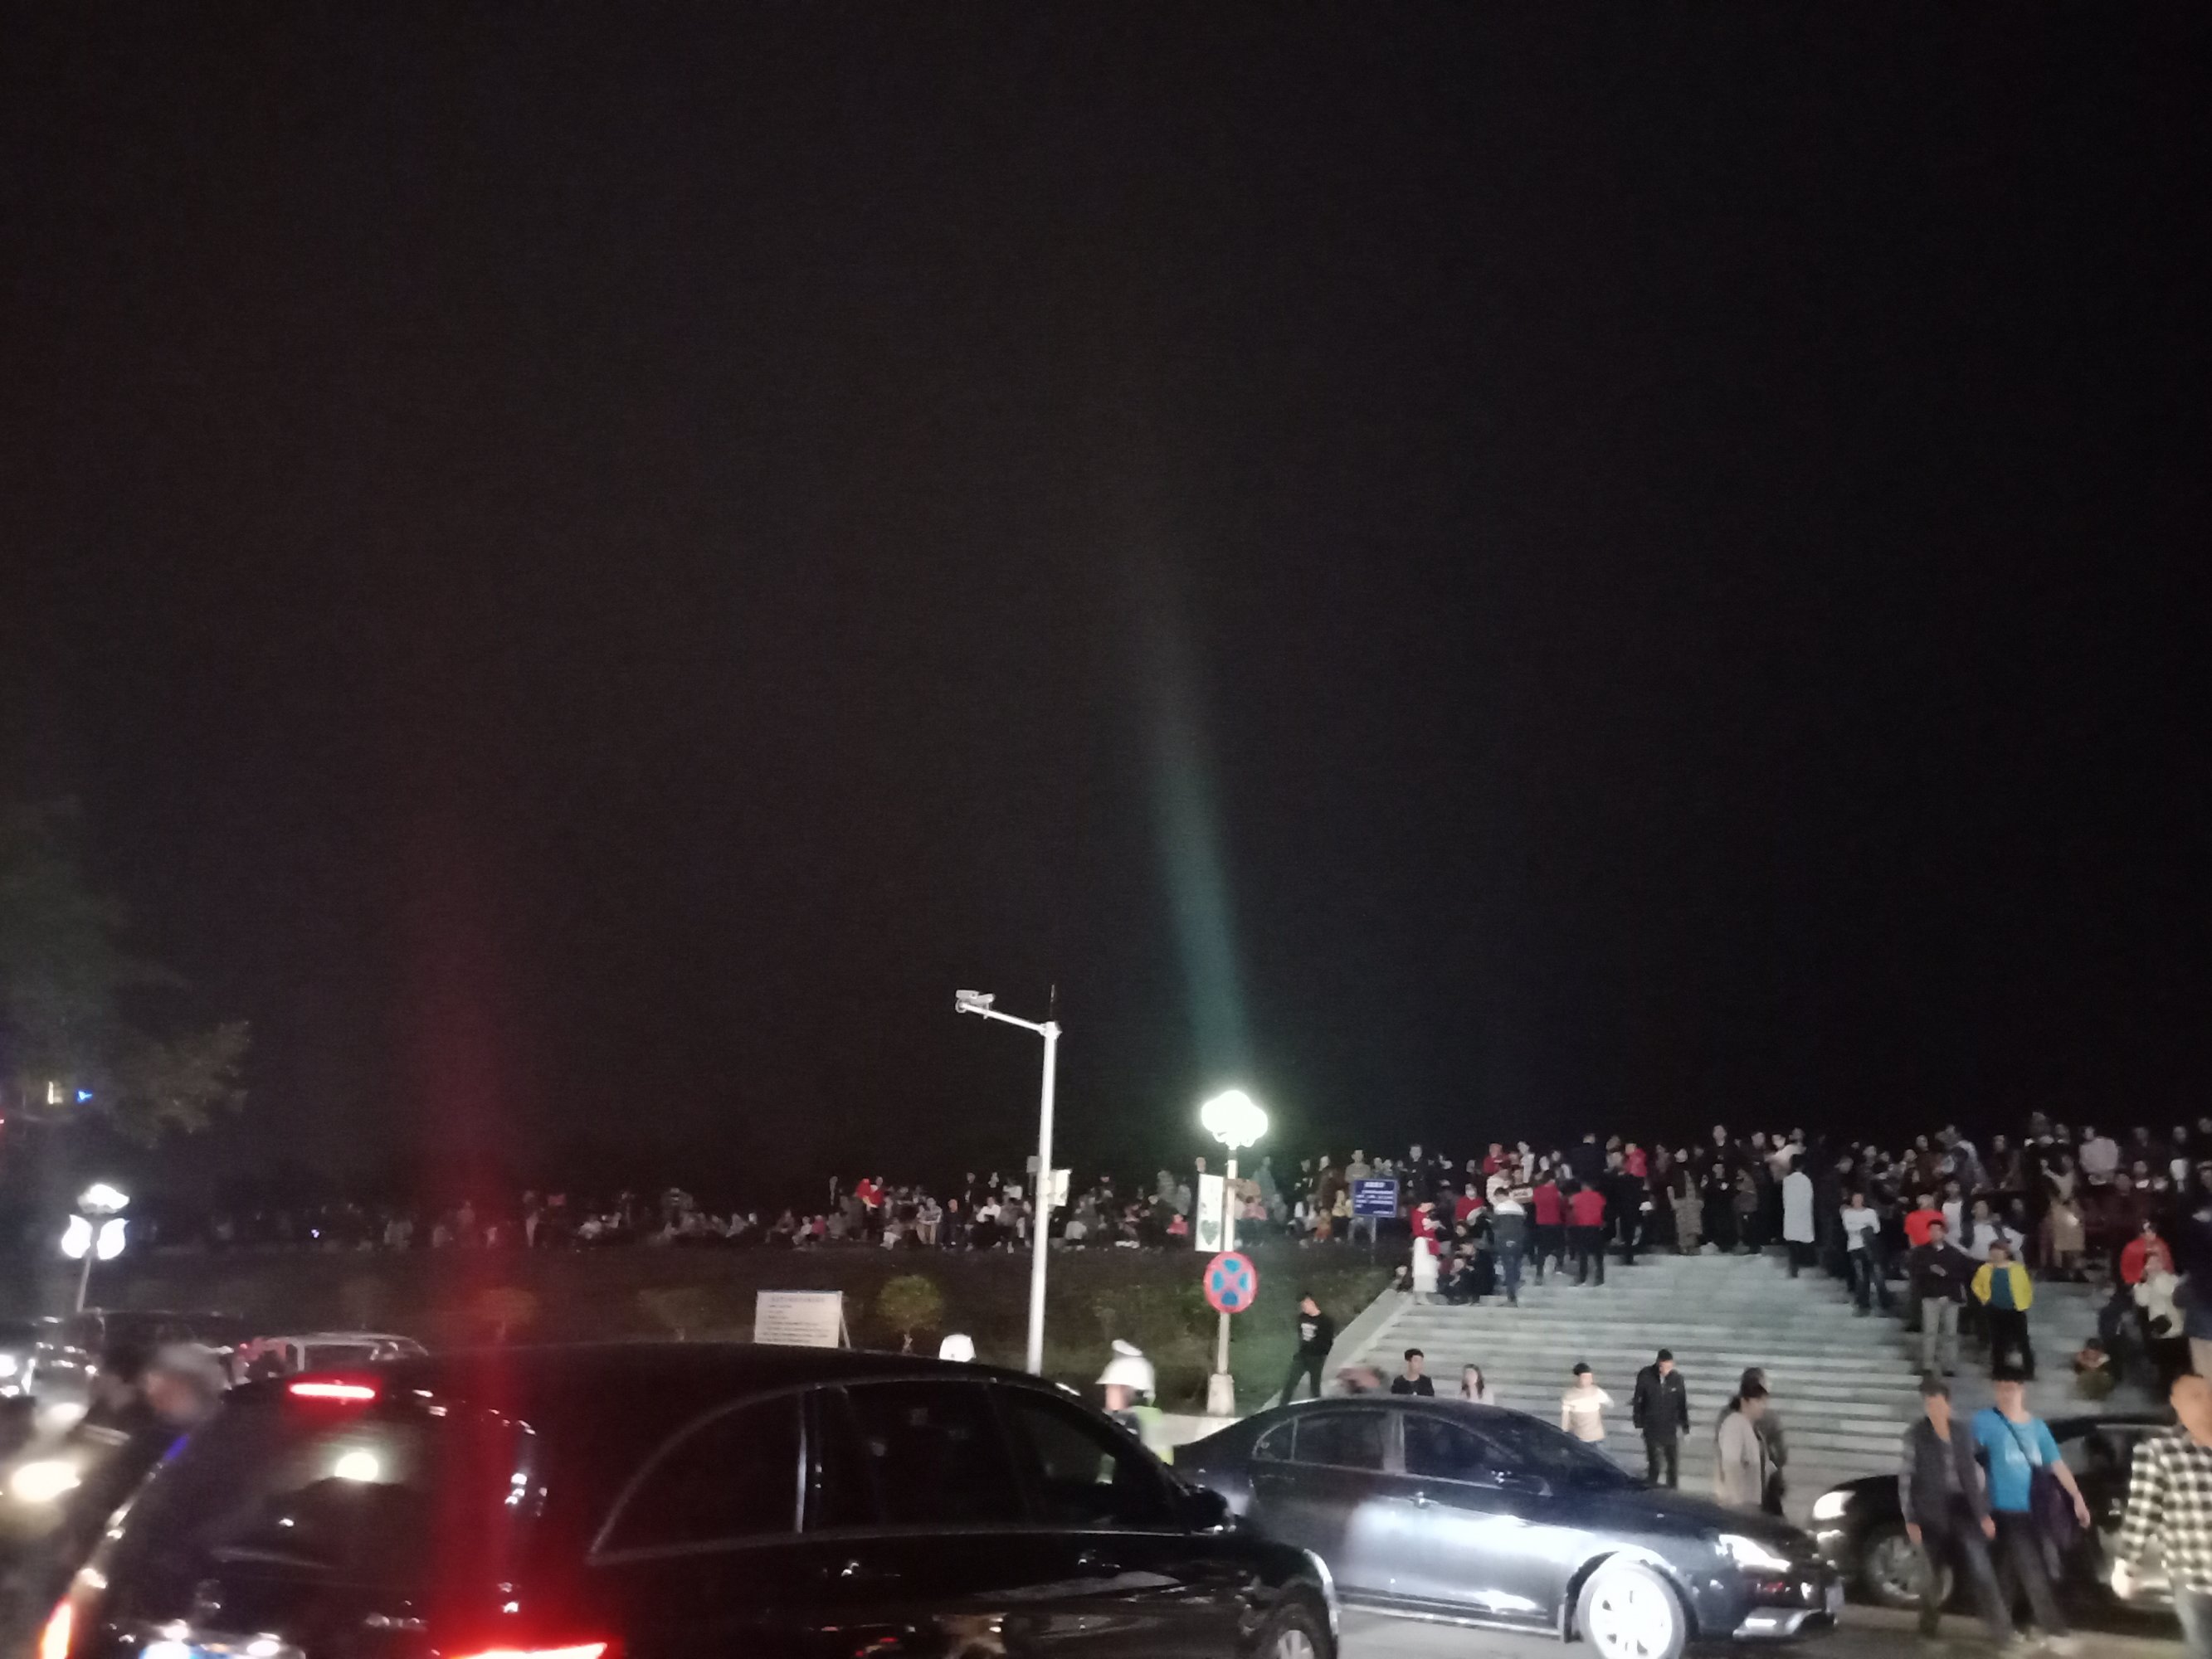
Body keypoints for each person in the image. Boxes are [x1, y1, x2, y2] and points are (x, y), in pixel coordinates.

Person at [1972, 1374, 2089, 1652]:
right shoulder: (1985, 1421)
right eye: (2001, 1389)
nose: (2006, 1394)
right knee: (2032, 1568)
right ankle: (2055, 1631)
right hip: (2003, 1510)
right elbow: (1966, 1457)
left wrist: (2077, 1497)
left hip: (2034, 1510)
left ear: (2022, 1391)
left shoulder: (2037, 1428)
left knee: (2009, 1572)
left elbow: (2056, 1464)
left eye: (2011, 1388)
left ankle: (2003, 1632)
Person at [1900, 1375, 2011, 1644]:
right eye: (1929, 1405)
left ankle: (2001, 1631)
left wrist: (1983, 1514)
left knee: (1981, 1569)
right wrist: (1910, 1518)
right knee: (1932, 1575)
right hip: (1930, 1511)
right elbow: (1906, 1478)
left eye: (1938, 1404)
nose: (1934, 1410)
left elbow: (1971, 1474)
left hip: (1963, 1509)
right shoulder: (1916, 1435)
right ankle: (1928, 1626)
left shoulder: (1961, 1432)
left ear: (1948, 1405)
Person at [2115, 1372, 2212, 1658]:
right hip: (2195, 1579)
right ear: (2176, 1403)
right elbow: (2143, 1510)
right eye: (2195, 1396)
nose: (2206, 1402)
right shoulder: (2160, 1451)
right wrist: (2126, 1563)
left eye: (2209, 1395)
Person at [1909, 1218, 1976, 1377]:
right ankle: (1927, 1364)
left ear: (1944, 1232)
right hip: (1930, 1296)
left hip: (1950, 1297)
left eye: (1937, 1230)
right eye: (1931, 1230)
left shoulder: (1954, 1253)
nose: (1934, 1233)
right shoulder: (1920, 1252)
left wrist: (1946, 1276)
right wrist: (1930, 1270)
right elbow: (1914, 1271)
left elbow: (1962, 1273)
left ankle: (1950, 1366)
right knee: (1930, 1332)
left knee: (1951, 1333)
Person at [1973, 1239, 2037, 1379]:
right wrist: (1985, 1299)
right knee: (1997, 1341)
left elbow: (2026, 1287)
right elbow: (1976, 1285)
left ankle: (2029, 1370)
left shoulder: (2017, 1269)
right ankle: (1998, 1370)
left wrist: (2025, 1303)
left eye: (1999, 1251)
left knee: (2023, 1340)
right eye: (1993, 1251)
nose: (1996, 1254)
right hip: (1995, 1309)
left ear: (2006, 1253)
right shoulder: (1984, 1269)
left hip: (2015, 1309)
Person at [1631, 1349, 1690, 1488]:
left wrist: (1685, 1427)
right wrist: (1638, 1422)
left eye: (1670, 1367)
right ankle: (1652, 1489)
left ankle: (1672, 1490)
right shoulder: (1646, 1375)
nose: (1666, 1370)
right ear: (1658, 1363)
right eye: (1664, 1367)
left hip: (1670, 1427)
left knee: (1673, 1463)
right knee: (1655, 1464)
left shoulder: (1677, 1379)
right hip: (1651, 1426)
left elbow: (1682, 1404)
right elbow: (1638, 1399)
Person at [1713, 1382, 1769, 1511]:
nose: (1763, 1406)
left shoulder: (1751, 1427)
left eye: (1764, 1402)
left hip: (1751, 1503)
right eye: (1758, 1401)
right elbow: (1731, 1465)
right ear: (1745, 1402)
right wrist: (1737, 1503)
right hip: (1740, 1506)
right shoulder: (1735, 1425)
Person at [1280, 1293, 1336, 1403]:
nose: (1303, 1307)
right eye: (1302, 1305)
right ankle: (1282, 1405)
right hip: (1302, 1355)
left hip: (1317, 1357)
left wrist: (1322, 1354)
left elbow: (1328, 1341)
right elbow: (1300, 1335)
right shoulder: (1302, 1318)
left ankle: (1316, 1406)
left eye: (1304, 1304)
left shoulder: (1326, 1321)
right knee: (1290, 1382)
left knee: (1315, 1385)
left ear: (1311, 1302)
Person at [1840, 1189, 1888, 1314]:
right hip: (1855, 1247)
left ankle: (1885, 1302)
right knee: (1861, 1276)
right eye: (1855, 1199)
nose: (1857, 1201)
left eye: (1860, 1199)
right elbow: (1849, 1228)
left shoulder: (1871, 1212)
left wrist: (1860, 1227)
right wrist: (1865, 1227)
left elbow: (1876, 1228)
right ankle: (1863, 1304)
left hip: (1871, 1247)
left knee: (1878, 1275)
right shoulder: (1847, 1213)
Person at [1781, 1155, 1815, 1277]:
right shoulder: (1806, 1180)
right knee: (1803, 1237)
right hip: (1803, 1212)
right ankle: (1805, 1261)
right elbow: (1810, 1198)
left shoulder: (1787, 1180)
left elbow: (1785, 1198)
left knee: (1792, 1239)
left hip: (1791, 1212)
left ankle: (1793, 1265)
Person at [1560, 1363, 1612, 1443]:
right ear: (1576, 1378)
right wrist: (1565, 1434)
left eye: (1590, 1377)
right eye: (1585, 1377)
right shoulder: (1569, 1396)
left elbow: (1610, 1403)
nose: (1589, 1380)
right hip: (1579, 1440)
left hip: (1598, 1439)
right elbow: (1565, 1419)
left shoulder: (1596, 1392)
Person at [1568, 1180, 1607, 1287]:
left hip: (1581, 1227)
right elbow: (1603, 1208)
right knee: (1598, 1254)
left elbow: (1571, 1207)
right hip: (1595, 1227)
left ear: (1584, 1186)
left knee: (1583, 1253)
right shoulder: (1599, 1197)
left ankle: (1582, 1277)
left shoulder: (1576, 1197)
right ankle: (1600, 1277)